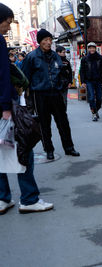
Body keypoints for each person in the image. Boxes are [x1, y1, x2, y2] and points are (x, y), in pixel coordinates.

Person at [0, 3, 53, 214]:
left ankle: (3, 199)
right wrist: (6, 106)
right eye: (7, 22)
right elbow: (3, 76)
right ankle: (29, 198)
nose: (8, 26)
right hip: (5, 106)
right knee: (24, 147)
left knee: (1, 152)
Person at [21, 29, 80, 160]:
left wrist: (63, 83)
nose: (48, 43)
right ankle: (49, 149)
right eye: (45, 40)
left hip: (56, 93)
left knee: (63, 122)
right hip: (40, 95)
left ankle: (69, 148)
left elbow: (62, 72)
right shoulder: (31, 57)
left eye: (50, 40)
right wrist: (29, 97)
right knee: (44, 124)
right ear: (39, 42)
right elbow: (25, 78)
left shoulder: (55, 56)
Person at [80, 42, 102, 121]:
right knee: (91, 98)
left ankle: (96, 110)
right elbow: (82, 71)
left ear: (95, 48)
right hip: (89, 81)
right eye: (90, 48)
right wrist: (82, 82)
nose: (92, 49)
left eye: (93, 48)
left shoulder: (100, 58)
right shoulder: (84, 59)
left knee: (99, 99)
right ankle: (93, 113)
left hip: (98, 80)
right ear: (88, 49)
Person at [56, 45, 72, 109]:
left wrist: (70, 82)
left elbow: (70, 72)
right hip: (56, 83)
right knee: (57, 99)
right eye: (63, 52)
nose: (64, 54)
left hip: (65, 82)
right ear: (58, 53)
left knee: (64, 99)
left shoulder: (67, 62)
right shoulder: (54, 61)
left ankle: (63, 112)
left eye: (64, 52)